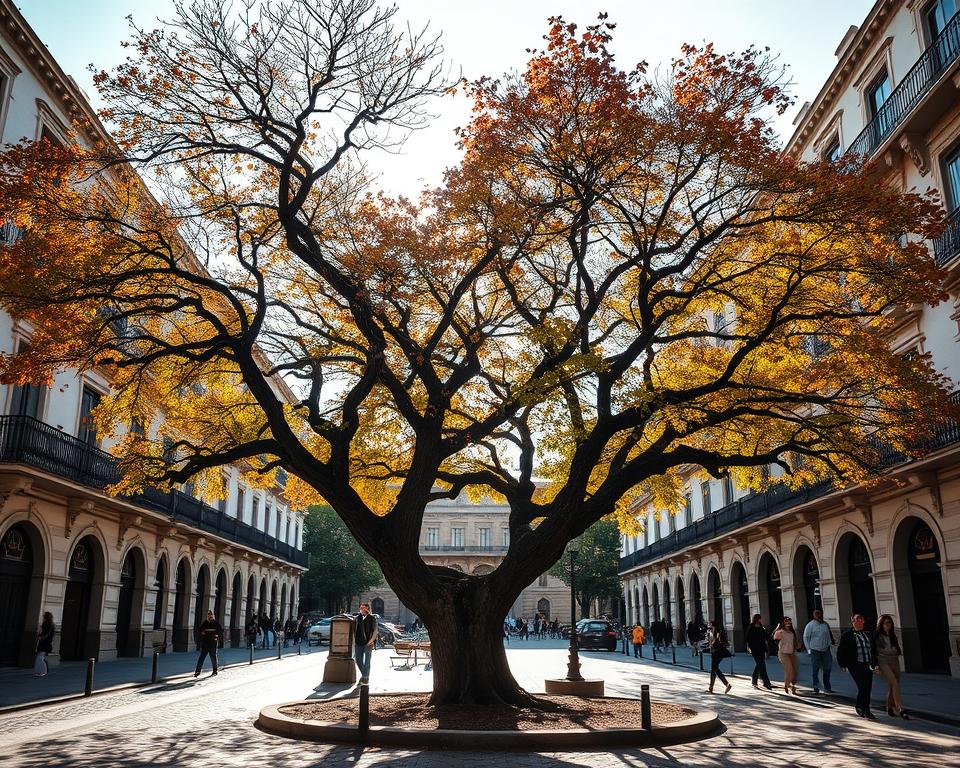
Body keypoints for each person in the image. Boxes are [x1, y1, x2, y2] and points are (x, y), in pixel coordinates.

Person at [836, 613, 878, 719]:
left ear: (863, 622)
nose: (858, 621)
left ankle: (866, 709)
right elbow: (841, 650)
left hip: (867, 664)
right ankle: (860, 706)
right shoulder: (847, 635)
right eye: (856, 620)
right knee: (862, 686)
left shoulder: (868, 634)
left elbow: (873, 650)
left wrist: (876, 663)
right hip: (855, 664)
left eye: (860, 619)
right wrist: (842, 664)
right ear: (852, 622)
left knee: (868, 687)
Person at [875, 614, 908, 719]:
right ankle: (900, 708)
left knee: (893, 685)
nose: (888, 625)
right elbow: (878, 650)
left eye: (890, 623)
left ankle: (889, 707)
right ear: (881, 624)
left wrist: (890, 651)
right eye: (886, 623)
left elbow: (897, 650)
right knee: (893, 682)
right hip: (883, 661)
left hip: (894, 660)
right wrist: (890, 651)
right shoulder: (876, 635)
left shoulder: (893, 635)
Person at [802, 609, 834, 694]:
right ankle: (816, 686)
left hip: (826, 649)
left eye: (820, 614)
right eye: (817, 614)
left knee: (828, 668)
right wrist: (809, 650)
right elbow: (806, 637)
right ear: (814, 616)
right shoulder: (810, 625)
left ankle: (827, 686)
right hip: (815, 650)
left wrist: (830, 644)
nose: (819, 616)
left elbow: (828, 635)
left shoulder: (825, 624)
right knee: (815, 668)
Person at [773, 617, 801, 694]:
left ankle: (792, 685)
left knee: (794, 670)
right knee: (789, 668)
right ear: (783, 622)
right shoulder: (780, 632)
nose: (788, 623)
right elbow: (774, 639)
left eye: (789, 621)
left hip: (791, 652)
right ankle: (786, 685)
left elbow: (794, 642)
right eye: (786, 621)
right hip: (783, 653)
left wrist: (797, 646)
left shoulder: (791, 632)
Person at [704, 619, 732, 694]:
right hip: (717, 652)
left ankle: (726, 684)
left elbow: (716, 641)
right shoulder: (713, 631)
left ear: (712, 624)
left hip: (717, 652)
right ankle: (711, 688)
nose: (708, 624)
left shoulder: (716, 631)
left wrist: (711, 644)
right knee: (714, 669)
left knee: (714, 669)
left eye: (709, 623)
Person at [746, 614, 773, 690]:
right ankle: (766, 683)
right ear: (757, 619)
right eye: (760, 618)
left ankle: (754, 680)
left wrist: (774, 631)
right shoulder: (751, 627)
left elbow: (766, 637)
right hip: (754, 649)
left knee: (759, 664)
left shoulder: (761, 627)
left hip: (761, 648)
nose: (761, 620)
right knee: (762, 664)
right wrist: (748, 647)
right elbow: (747, 638)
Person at [194, 610, 223, 677]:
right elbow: (200, 630)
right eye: (208, 616)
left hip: (213, 643)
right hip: (205, 643)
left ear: (213, 616)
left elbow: (219, 632)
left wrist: (216, 635)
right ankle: (197, 671)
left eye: (211, 616)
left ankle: (215, 671)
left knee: (213, 657)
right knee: (201, 657)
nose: (210, 617)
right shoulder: (205, 623)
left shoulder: (216, 623)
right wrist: (203, 633)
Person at [354, 602, 377, 683]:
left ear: (367, 609)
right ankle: (364, 675)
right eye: (361, 608)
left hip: (368, 643)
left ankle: (365, 677)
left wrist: (371, 641)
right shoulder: (356, 618)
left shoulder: (372, 618)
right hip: (358, 642)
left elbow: (375, 631)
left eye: (363, 607)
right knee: (358, 660)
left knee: (367, 661)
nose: (361, 609)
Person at [33, 612, 55, 677]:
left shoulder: (46, 623)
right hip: (47, 642)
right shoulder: (51, 624)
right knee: (41, 657)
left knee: (40, 657)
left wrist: (40, 637)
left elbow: (45, 633)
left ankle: (43, 671)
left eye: (44, 616)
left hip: (44, 642)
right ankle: (42, 671)